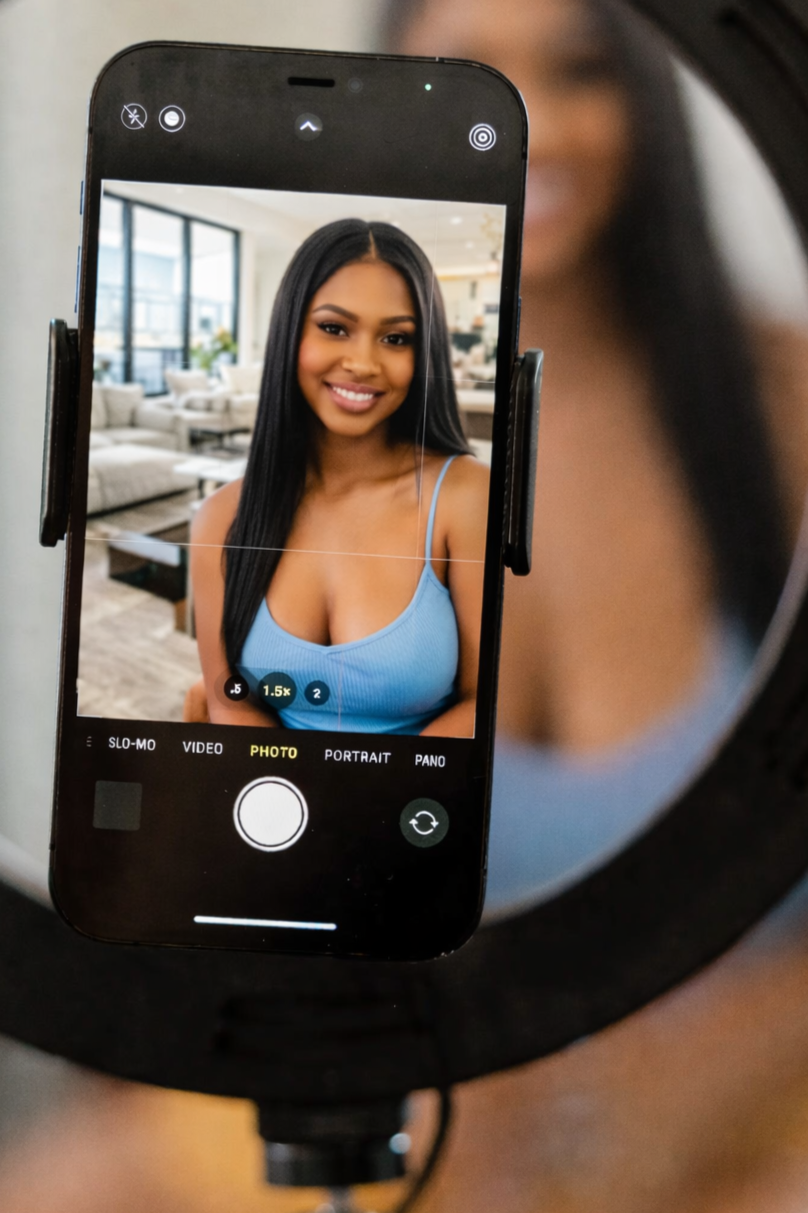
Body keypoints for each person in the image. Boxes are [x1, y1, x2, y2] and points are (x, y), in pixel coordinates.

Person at [190, 218, 489, 737]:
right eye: (334, 328)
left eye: (395, 338)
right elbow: (230, 701)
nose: (363, 363)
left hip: (422, 786)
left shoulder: (466, 499)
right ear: (291, 333)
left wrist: (369, 788)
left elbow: (491, 703)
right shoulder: (221, 518)